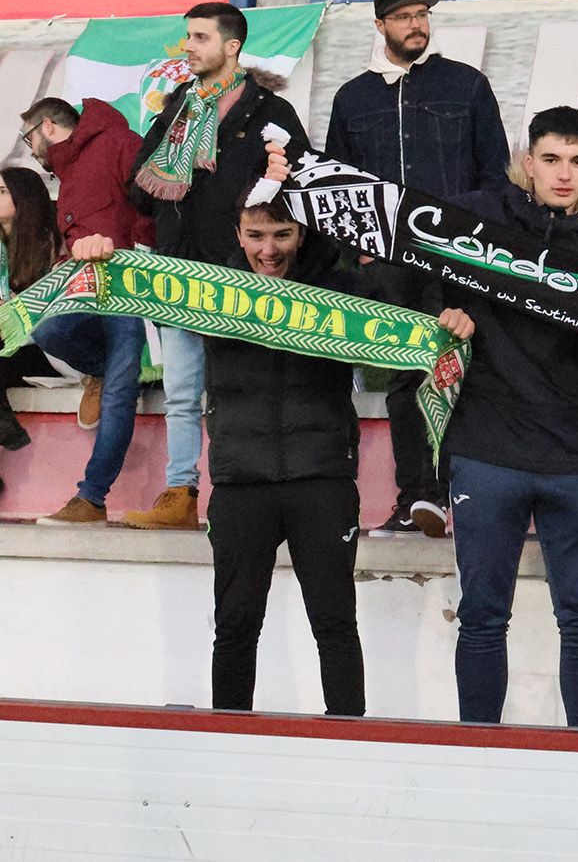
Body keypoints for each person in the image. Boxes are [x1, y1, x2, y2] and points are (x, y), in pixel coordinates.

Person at [70, 196, 473, 716]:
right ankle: (230, 741)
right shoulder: (206, 293)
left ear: (301, 234)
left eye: (282, 234)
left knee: (334, 622)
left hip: (322, 477)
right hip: (241, 483)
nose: (269, 249)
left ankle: (347, 740)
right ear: (237, 235)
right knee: (235, 625)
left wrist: (452, 315)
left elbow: (414, 300)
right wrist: (99, 255)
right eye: (256, 236)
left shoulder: (340, 288)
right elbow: (126, 289)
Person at [446, 106, 578, 728]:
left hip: (576, 453)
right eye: (551, 160)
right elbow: (400, 248)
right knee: (482, 612)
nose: (564, 174)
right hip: (487, 448)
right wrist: (447, 309)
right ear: (526, 163)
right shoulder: (475, 222)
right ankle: (475, 754)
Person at [325, 0, 512, 538]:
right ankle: (417, 500)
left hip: (457, 258)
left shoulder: (467, 85)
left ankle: (466, 497)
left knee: (464, 374)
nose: (416, 25)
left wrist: (462, 230)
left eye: (422, 15)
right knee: (406, 381)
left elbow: (497, 175)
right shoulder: (352, 98)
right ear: (379, 25)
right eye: (403, 16)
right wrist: (356, 246)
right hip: (389, 269)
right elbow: (339, 190)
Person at [125, 2, 312, 530]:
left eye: (200, 38)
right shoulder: (178, 107)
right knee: (182, 394)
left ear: (232, 47)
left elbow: (298, 197)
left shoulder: (271, 113)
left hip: (244, 280)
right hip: (181, 275)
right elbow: (139, 190)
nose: (189, 46)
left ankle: (242, 494)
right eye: (188, 36)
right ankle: (180, 493)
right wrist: (164, 166)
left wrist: (277, 179)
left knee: (238, 393)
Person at [18, 98, 154, 525]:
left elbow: (148, 206)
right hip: (85, 289)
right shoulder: (69, 168)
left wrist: (137, 252)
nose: (31, 148)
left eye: (28, 137)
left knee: (118, 392)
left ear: (47, 125)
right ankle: (104, 371)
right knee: (48, 331)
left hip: (130, 288)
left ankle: (91, 497)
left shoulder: (116, 142)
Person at [0, 168, 64, 471]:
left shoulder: (48, 245)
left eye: (1, 192)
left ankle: (7, 429)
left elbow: (48, 314)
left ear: (22, 199)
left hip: (42, 346)